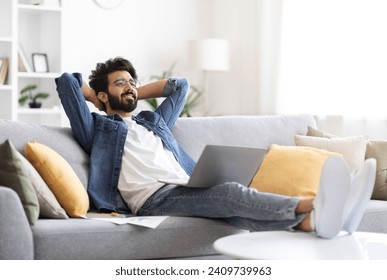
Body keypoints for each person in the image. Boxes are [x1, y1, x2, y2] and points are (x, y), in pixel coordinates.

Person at [55, 57, 376, 239]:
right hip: (152, 199)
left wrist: (133, 94)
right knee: (231, 193)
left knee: (231, 212)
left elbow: (179, 86)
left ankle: (314, 223)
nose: (130, 87)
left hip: (184, 184)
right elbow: (68, 81)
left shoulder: (152, 121)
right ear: (101, 96)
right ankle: (315, 203)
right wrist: (99, 96)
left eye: (132, 81)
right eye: (120, 83)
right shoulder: (98, 128)